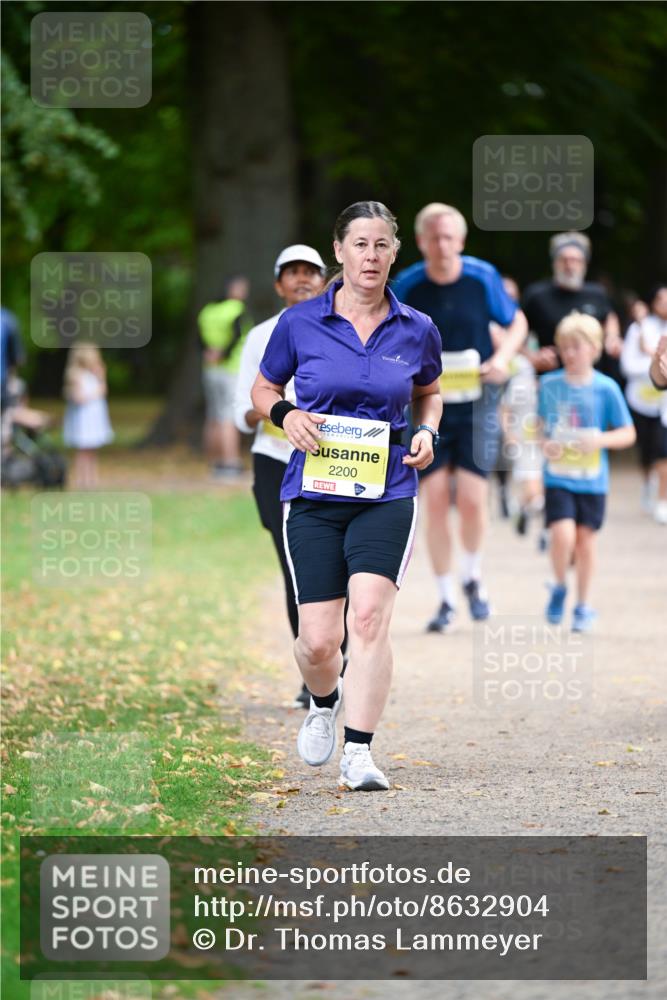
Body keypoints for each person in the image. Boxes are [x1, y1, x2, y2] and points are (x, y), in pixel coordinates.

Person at [251, 201, 442, 791]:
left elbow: (429, 392)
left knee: (368, 618)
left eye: (382, 244)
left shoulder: (417, 327)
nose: (371, 256)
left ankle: (359, 752)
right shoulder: (300, 323)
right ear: (338, 251)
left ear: (394, 254)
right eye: (360, 244)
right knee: (318, 641)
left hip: (387, 491)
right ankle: (322, 699)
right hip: (311, 495)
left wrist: (428, 430)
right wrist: (285, 414)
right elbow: (263, 388)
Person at [392, 203, 527, 632]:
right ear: (420, 242)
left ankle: (472, 576)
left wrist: (504, 357)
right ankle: (446, 597)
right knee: (433, 502)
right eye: (433, 237)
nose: (442, 244)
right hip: (428, 404)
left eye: (449, 236)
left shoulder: (482, 277)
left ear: (461, 241)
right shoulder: (409, 284)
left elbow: (517, 321)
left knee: (471, 499)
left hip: (476, 404)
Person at [234, 245, 328, 706]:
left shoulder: (341, 327)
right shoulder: (260, 336)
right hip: (275, 461)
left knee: (340, 568)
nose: (302, 279)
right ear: (278, 284)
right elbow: (242, 410)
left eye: (310, 271)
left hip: (330, 460)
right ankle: (312, 675)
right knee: (296, 568)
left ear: (325, 278)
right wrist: (280, 409)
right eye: (292, 273)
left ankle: (336, 659)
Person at [539, 313, 635, 632]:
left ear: (594, 349)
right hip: (558, 477)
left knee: (584, 543)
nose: (569, 353)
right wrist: (545, 443)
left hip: (593, 482)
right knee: (562, 535)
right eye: (564, 347)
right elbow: (535, 427)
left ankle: (582, 605)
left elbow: (627, 433)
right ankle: (558, 585)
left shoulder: (606, 389)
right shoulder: (548, 384)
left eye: (576, 347)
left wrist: (599, 440)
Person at [522, 231, 623, 377]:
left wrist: (612, 337)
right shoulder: (536, 295)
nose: (569, 265)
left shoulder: (597, 293)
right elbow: (515, 331)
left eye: (576, 260)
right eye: (564, 259)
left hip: (594, 378)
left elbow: (609, 317)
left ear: (584, 264)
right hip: (551, 379)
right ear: (554, 262)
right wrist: (532, 357)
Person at [198, 276, 253, 480]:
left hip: (209, 368)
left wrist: (209, 352)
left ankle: (214, 462)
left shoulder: (208, 311)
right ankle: (230, 462)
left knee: (213, 415)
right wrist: (223, 354)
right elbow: (237, 335)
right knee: (228, 415)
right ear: (233, 289)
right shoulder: (236, 309)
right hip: (231, 369)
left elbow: (199, 338)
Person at [620, 285, 667, 522]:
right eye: (662, 299)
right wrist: (653, 362)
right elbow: (628, 365)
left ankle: (662, 500)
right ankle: (648, 482)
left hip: (664, 406)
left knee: (662, 451)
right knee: (646, 452)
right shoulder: (640, 329)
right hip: (640, 402)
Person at [62, 343, 114, 488]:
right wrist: (95, 393)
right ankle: (81, 479)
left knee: (92, 450)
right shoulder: (76, 375)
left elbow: (103, 390)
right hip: (83, 418)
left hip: (93, 417)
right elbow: (79, 398)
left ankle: (92, 479)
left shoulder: (95, 375)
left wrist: (101, 377)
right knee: (82, 450)